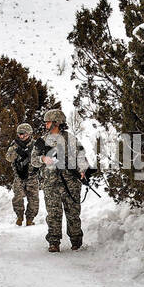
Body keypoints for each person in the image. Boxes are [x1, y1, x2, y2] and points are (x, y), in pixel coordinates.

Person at [35, 108, 91, 252]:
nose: (46, 125)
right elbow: (33, 160)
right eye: (46, 123)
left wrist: (83, 170)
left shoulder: (71, 139)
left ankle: (76, 241)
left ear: (57, 123)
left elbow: (81, 156)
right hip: (50, 183)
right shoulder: (42, 141)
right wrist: (42, 158)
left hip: (71, 183)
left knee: (73, 213)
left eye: (48, 122)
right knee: (53, 214)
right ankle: (54, 242)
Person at [5, 123, 41, 226]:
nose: (21, 136)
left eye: (23, 134)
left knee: (34, 199)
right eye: (19, 134)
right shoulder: (15, 145)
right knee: (18, 197)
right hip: (19, 176)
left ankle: (30, 219)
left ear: (29, 134)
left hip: (32, 176)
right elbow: (8, 158)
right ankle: (19, 217)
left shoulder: (35, 145)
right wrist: (16, 152)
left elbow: (41, 159)